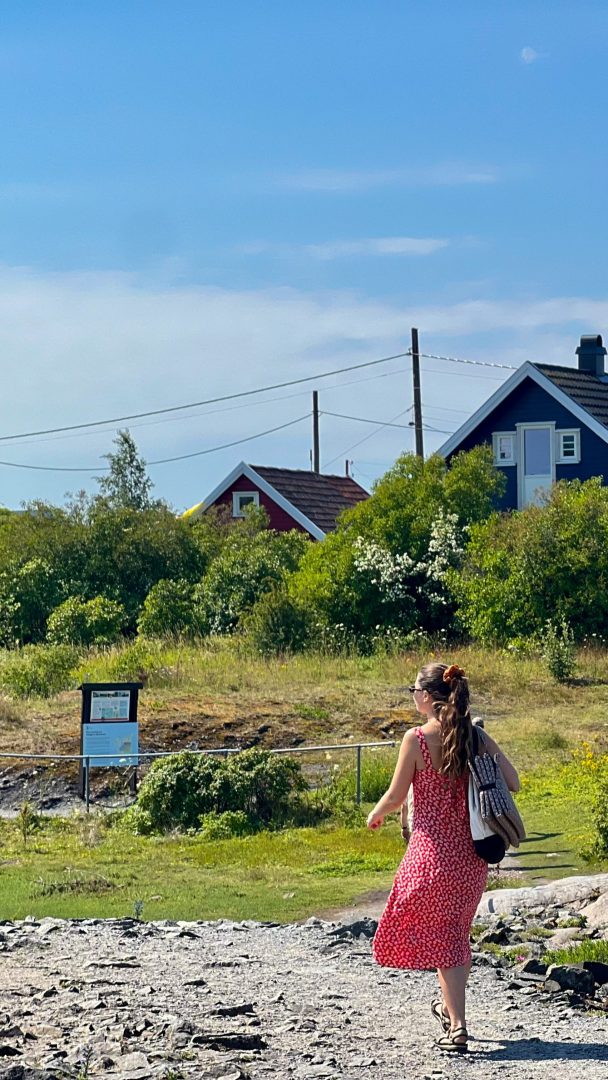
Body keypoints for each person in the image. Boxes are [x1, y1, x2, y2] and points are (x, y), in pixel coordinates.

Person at [367, 662, 519, 1054]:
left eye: (413, 689)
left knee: (445, 940)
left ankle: (457, 1025)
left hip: (430, 858)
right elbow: (514, 782)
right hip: (472, 860)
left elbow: (396, 796)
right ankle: (450, 1009)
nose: (412, 695)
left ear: (428, 696)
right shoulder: (477, 737)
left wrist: (376, 814)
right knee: (453, 937)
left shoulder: (416, 740)